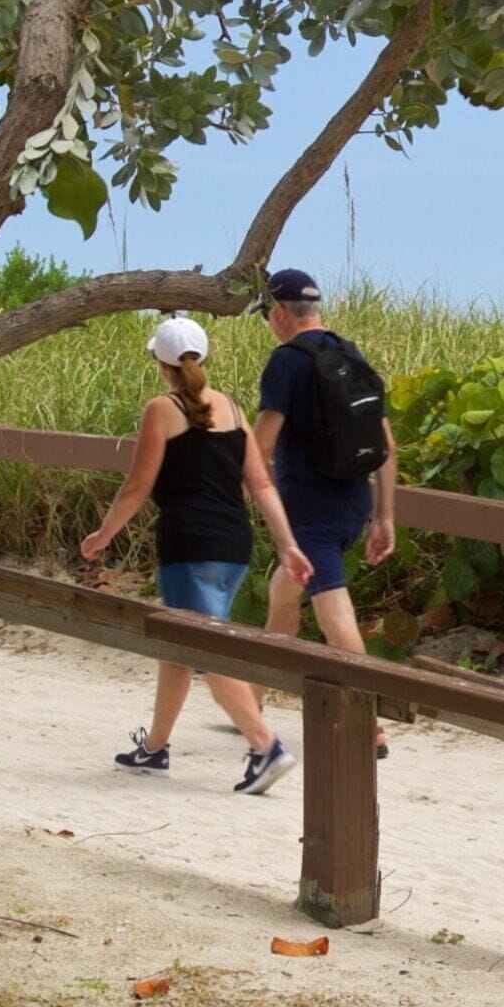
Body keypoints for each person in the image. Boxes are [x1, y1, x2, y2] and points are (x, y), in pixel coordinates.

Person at [79, 316, 309, 795]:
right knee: (179, 648)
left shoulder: (161, 409)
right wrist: (287, 543)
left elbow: (138, 485)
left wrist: (103, 534)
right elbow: (261, 483)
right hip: (233, 544)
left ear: (161, 365)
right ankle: (156, 747)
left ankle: (265, 747)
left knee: (206, 651)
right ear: (203, 357)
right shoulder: (231, 408)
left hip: (189, 544)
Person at [251, 270, 398, 678]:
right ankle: (255, 705)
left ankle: (372, 731)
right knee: (283, 594)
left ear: (279, 312)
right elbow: (386, 445)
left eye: (266, 313)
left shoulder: (287, 361)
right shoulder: (349, 353)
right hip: (353, 506)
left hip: (310, 513)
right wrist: (384, 517)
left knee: (335, 620)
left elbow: (260, 445)